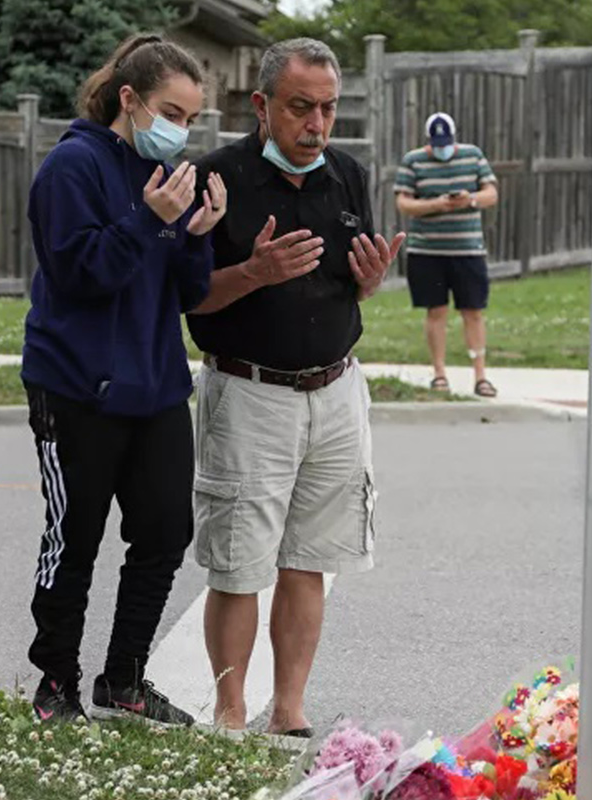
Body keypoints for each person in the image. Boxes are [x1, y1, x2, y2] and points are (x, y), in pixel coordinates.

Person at [188, 38, 404, 736]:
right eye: (300, 108)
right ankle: (229, 712)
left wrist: (370, 282)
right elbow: (189, 300)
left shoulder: (346, 174)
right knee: (240, 563)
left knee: (310, 560)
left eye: (328, 109)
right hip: (250, 394)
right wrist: (253, 272)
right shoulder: (217, 178)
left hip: (337, 393)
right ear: (261, 106)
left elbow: (352, 280)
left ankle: (288, 709)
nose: (315, 125)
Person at [21, 33, 226, 725]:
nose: (181, 129)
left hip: (156, 385)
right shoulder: (71, 168)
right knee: (73, 539)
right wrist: (151, 218)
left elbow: (183, 294)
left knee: (166, 532)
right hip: (75, 385)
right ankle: (56, 684)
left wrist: (197, 232)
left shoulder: (168, 179)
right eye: (172, 111)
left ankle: (125, 679)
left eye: (192, 119)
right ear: (130, 99)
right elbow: (80, 275)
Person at [394, 112, 501, 397]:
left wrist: (471, 200)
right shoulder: (413, 160)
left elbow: (492, 194)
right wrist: (437, 204)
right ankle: (439, 373)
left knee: (473, 311)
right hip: (427, 251)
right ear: (429, 141)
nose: (441, 149)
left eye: (446, 143)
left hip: (468, 250)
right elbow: (404, 203)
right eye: (436, 143)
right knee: (436, 311)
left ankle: (481, 375)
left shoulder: (473, 156)